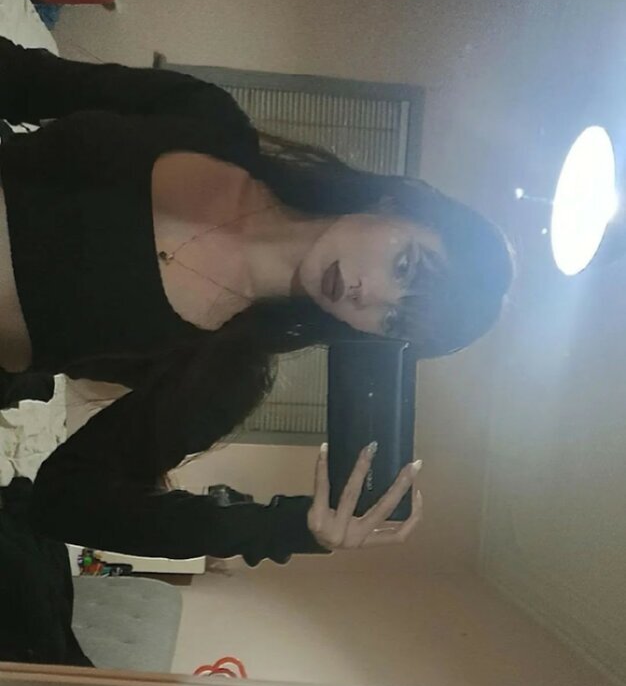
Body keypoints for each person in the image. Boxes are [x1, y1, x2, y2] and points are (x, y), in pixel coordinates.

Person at [0, 36, 514, 567]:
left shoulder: (225, 374)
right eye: (404, 266)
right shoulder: (207, 118)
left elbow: (64, 500)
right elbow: (24, 78)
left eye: (393, 318)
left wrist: (281, 528)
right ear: (394, 205)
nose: (369, 295)